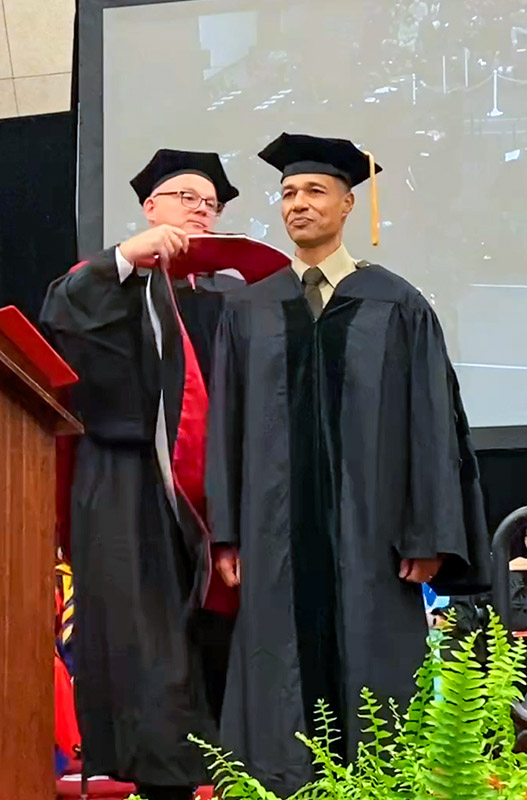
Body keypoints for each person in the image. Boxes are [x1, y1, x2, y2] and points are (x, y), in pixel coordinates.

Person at [206, 132, 491, 797]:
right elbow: (226, 426)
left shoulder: (396, 304)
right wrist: (227, 530)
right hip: (274, 533)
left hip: (371, 536)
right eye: (286, 193)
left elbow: (431, 422)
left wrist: (428, 535)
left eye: (313, 191)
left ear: (345, 205)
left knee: (373, 680)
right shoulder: (249, 308)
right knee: (276, 674)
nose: (297, 204)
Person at [40, 149, 241, 800]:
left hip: (215, 496)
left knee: (217, 639)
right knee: (143, 642)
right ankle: (159, 782)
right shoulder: (105, 278)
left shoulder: (233, 296)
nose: (200, 211)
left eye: (209, 204)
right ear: (151, 208)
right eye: (186, 197)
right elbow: (62, 318)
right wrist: (129, 255)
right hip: (126, 485)